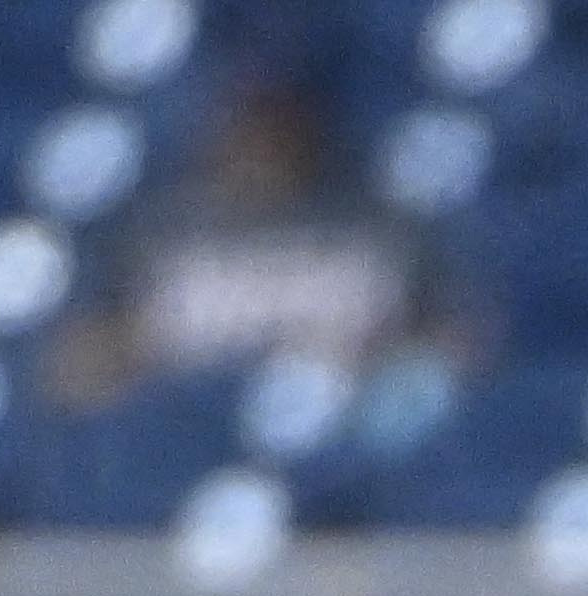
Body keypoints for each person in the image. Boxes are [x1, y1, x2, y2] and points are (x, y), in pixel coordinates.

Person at [49, 76, 464, 422]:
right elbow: (77, 366)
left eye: (277, 136)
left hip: (348, 434)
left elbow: (455, 345)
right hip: (182, 441)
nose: (261, 153)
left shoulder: (378, 230)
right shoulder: (156, 234)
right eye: (249, 134)